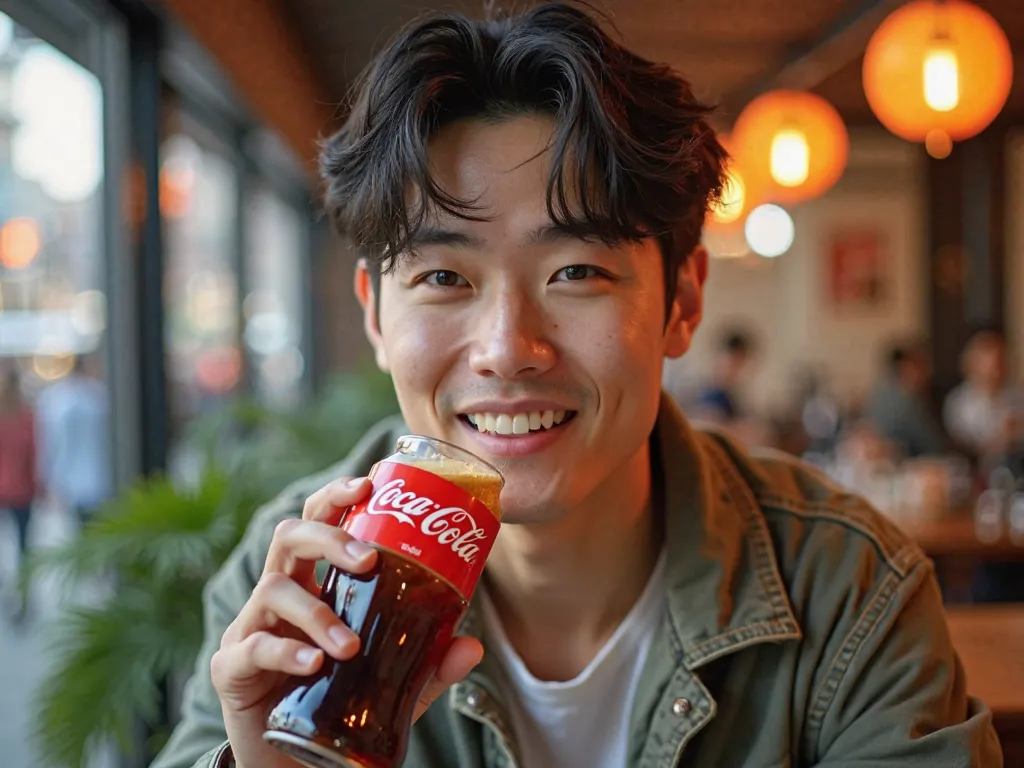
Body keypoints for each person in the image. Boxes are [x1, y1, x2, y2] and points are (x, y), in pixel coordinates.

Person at [152, 5, 1001, 767]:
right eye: (445, 277)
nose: (507, 348)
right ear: (376, 315)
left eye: (577, 270)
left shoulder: (846, 583)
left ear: (683, 300)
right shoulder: (302, 580)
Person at [35, 353, 112, 528]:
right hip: (90, 480)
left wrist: (48, 479)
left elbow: (49, 445)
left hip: (81, 481)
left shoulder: (59, 399)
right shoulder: (97, 396)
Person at [944, 327, 1024, 467]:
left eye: (999, 361)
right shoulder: (959, 402)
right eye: (989, 363)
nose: (995, 370)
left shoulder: (1016, 396)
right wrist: (1000, 440)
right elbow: (964, 448)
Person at [863, 340, 949, 459]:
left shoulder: (879, 392)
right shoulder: (906, 402)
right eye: (922, 365)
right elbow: (932, 446)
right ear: (907, 368)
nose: (928, 372)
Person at [0, 367, 37, 619]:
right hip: (22, 490)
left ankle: (9, 590)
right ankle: (22, 595)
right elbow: (33, 454)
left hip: (10, 490)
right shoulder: (25, 417)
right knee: (24, 547)